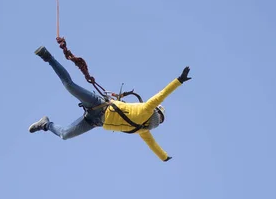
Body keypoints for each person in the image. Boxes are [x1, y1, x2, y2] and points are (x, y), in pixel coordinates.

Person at [28, 46, 192, 161]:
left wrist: (163, 157)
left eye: (160, 118)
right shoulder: (147, 110)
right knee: (70, 86)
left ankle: (45, 124)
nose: (159, 120)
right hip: (99, 105)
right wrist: (179, 81)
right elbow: (161, 95)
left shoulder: (144, 129)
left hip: (94, 121)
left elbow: (154, 146)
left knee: (64, 134)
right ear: (157, 113)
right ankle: (48, 58)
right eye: (160, 117)